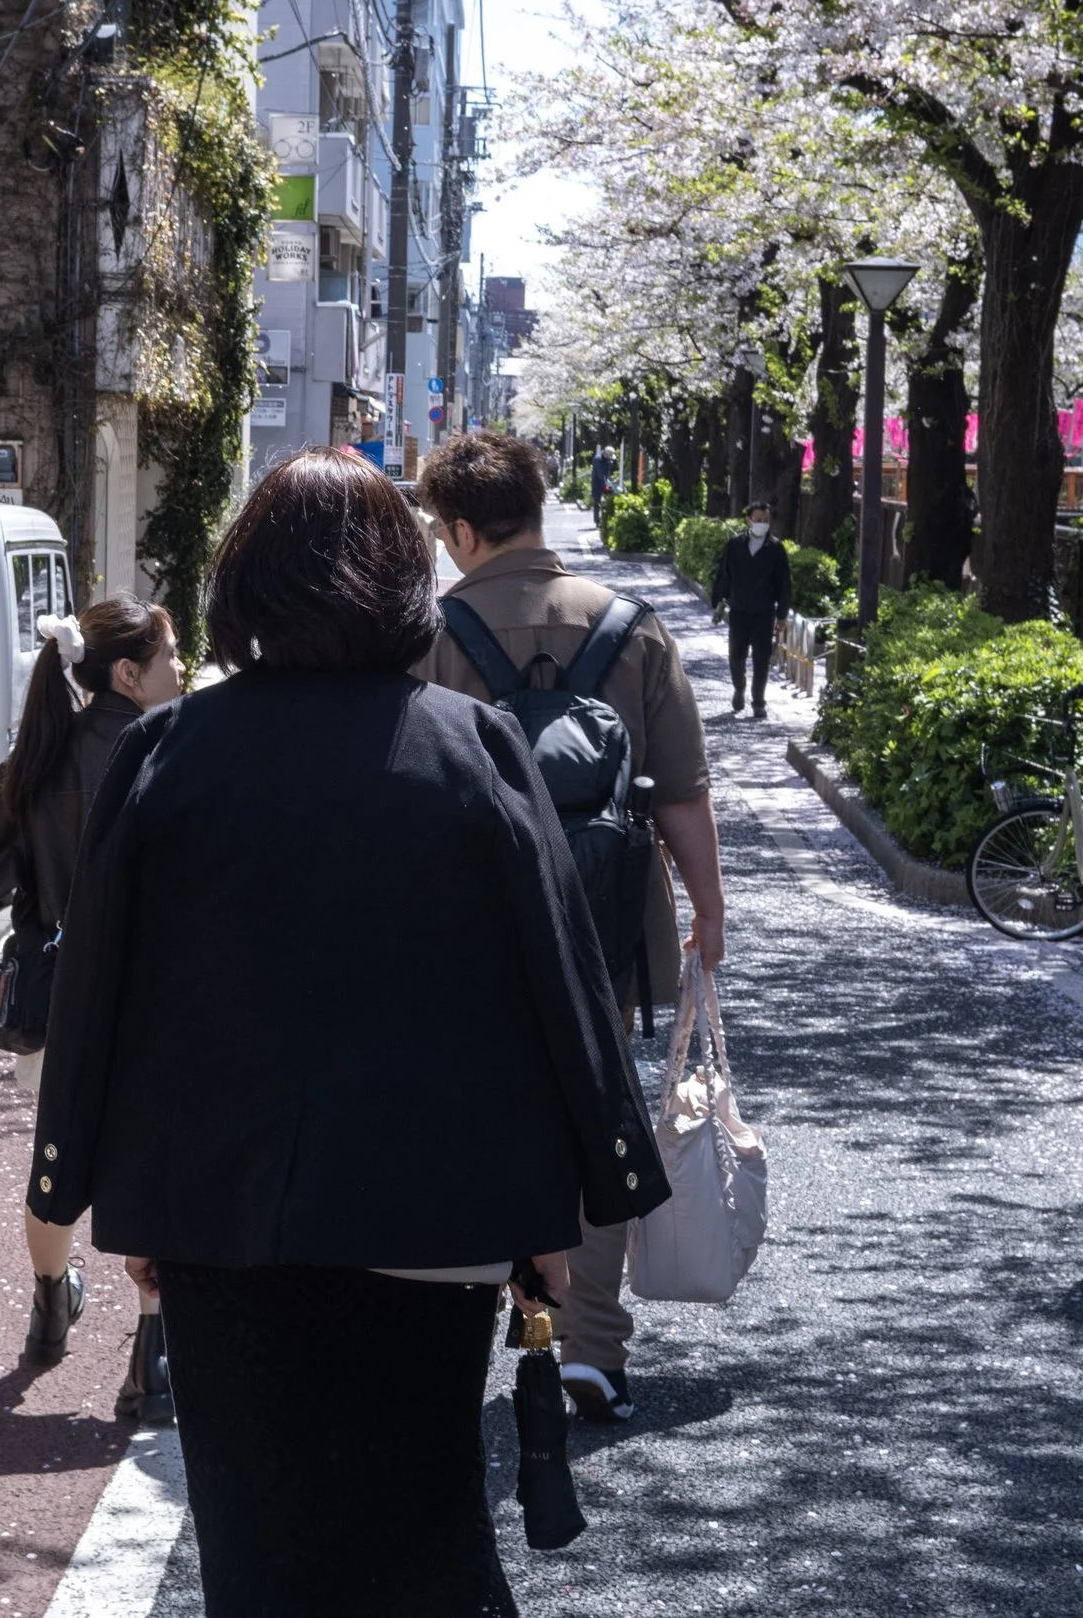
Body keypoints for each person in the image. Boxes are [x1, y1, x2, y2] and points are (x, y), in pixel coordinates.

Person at [30, 448, 669, 1618]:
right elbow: (554, 984)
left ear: (244, 586)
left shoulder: (168, 752)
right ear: (399, 583)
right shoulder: (467, 747)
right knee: (424, 1532)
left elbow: (99, 990)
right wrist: (570, 1197)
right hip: (434, 1209)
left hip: (222, 1210)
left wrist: (92, 1183)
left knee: (256, 1547)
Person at [413, 430, 723, 1424]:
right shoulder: (632, 628)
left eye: (442, 530)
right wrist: (707, 913)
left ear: (465, 530)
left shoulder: (431, 634)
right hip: (605, 919)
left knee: (470, 1116)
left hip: (468, 920)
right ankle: (591, 1347)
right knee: (593, 1117)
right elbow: (682, 793)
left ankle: (474, 1326)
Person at [0, 595, 186, 1418]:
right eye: (169, 655)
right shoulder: (170, 752)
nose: (181, 668)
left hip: (55, 1002)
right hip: (152, 1000)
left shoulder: (38, 760)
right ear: (127, 672)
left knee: (54, 1159)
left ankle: (50, 1305)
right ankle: (151, 1359)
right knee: (149, 1167)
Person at [710, 501, 794, 719]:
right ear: (748, 520)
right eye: (758, 520)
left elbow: (784, 584)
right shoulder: (734, 545)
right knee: (736, 656)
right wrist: (718, 602)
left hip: (764, 611)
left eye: (766, 520)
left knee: (761, 658)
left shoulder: (775, 548)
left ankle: (758, 701)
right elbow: (724, 575)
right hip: (739, 610)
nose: (762, 524)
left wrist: (782, 614)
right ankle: (739, 687)